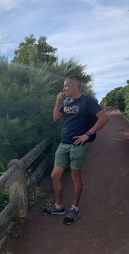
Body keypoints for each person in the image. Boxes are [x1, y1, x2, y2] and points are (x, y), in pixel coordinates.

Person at [42, 75, 109, 225]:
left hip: (78, 144)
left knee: (75, 176)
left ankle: (75, 208)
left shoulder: (87, 101)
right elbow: (56, 118)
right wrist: (58, 101)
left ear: (75, 86)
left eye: (66, 85)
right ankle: (59, 206)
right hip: (63, 143)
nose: (64, 88)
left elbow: (104, 118)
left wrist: (88, 134)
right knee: (55, 175)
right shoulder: (66, 101)